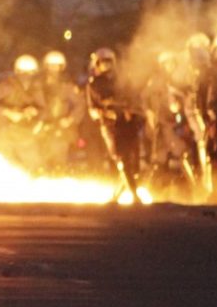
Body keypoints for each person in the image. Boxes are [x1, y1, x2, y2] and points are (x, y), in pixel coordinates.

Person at [85, 47, 144, 202]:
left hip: (127, 124)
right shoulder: (94, 84)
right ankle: (134, 195)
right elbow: (95, 108)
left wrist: (131, 110)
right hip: (110, 125)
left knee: (133, 162)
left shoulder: (122, 81)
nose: (106, 65)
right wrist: (110, 111)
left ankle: (116, 196)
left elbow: (132, 98)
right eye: (103, 62)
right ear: (97, 64)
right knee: (121, 158)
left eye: (109, 62)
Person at [0, 54, 46, 171]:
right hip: (5, 132)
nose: (26, 77)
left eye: (30, 73)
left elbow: (42, 108)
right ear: (17, 72)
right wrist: (7, 112)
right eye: (23, 73)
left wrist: (34, 111)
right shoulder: (6, 86)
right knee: (4, 165)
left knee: (33, 165)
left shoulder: (36, 88)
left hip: (25, 132)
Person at [39, 50, 83, 172]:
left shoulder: (67, 86)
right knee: (40, 161)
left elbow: (80, 105)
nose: (54, 70)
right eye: (51, 66)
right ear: (46, 67)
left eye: (57, 67)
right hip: (42, 128)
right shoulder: (38, 85)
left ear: (62, 68)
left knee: (60, 160)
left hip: (61, 129)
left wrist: (70, 119)